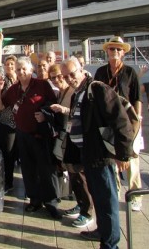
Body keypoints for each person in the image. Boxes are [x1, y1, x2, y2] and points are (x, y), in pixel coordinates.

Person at [61, 58, 134, 248]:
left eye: (72, 74)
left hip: (102, 157)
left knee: (107, 202)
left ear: (82, 70)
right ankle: (102, 231)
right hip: (88, 155)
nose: (69, 79)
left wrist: (123, 154)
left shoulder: (97, 89)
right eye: (65, 76)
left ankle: (110, 244)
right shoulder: (79, 93)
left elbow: (120, 121)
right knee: (98, 198)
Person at [0, 56, 61, 219]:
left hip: (40, 135)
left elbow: (54, 104)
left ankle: (51, 202)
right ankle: (34, 200)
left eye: (24, 68)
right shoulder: (14, 89)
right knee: (28, 170)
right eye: (18, 69)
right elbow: (0, 107)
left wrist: (45, 115)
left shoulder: (42, 84)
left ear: (31, 70)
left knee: (46, 169)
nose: (21, 72)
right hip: (22, 135)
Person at [94, 36, 143, 212]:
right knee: (111, 158)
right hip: (108, 122)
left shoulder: (130, 72)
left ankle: (135, 195)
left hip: (128, 121)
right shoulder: (101, 72)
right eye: (111, 49)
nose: (114, 52)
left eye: (118, 49)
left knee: (131, 158)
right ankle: (114, 192)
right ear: (106, 52)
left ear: (123, 53)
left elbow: (137, 98)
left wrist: (137, 120)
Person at [46, 62, 94, 228]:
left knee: (81, 175)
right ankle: (81, 204)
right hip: (68, 136)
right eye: (54, 78)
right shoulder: (64, 91)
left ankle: (87, 211)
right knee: (73, 173)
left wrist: (62, 110)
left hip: (80, 139)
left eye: (62, 76)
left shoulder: (81, 89)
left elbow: (74, 112)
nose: (59, 79)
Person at [0, 33, 18, 193]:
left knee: (18, 156)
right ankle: (7, 182)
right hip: (6, 123)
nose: (9, 66)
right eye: (7, 64)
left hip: (22, 124)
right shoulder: (5, 80)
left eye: (11, 64)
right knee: (7, 155)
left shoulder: (23, 81)